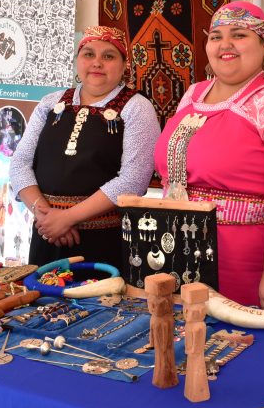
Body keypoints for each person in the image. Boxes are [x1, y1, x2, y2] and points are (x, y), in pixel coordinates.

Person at [154, 1, 264, 309]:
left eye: (239, 34)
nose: (225, 44)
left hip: (247, 262)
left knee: (243, 348)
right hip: (179, 250)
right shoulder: (193, 94)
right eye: (216, 36)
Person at [10, 26, 160, 270]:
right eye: (88, 54)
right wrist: (45, 217)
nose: (97, 63)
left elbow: (134, 180)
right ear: (78, 61)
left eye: (109, 56)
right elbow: (20, 162)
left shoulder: (136, 108)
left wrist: (67, 218)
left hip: (103, 242)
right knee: (41, 304)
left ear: (124, 66)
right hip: (47, 235)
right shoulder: (51, 102)